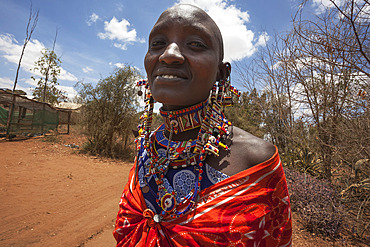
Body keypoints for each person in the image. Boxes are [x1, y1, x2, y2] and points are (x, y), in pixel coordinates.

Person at [114, 4, 292, 246]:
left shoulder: (257, 160)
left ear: (221, 73)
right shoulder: (148, 147)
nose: (169, 54)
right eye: (158, 43)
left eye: (195, 44)